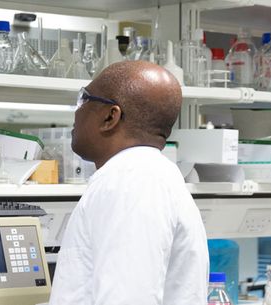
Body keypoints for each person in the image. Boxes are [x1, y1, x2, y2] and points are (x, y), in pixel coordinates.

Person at [49, 61, 209, 305]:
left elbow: (128, 297)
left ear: (110, 116)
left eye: (84, 99)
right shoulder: (150, 175)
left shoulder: (131, 182)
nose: (76, 111)